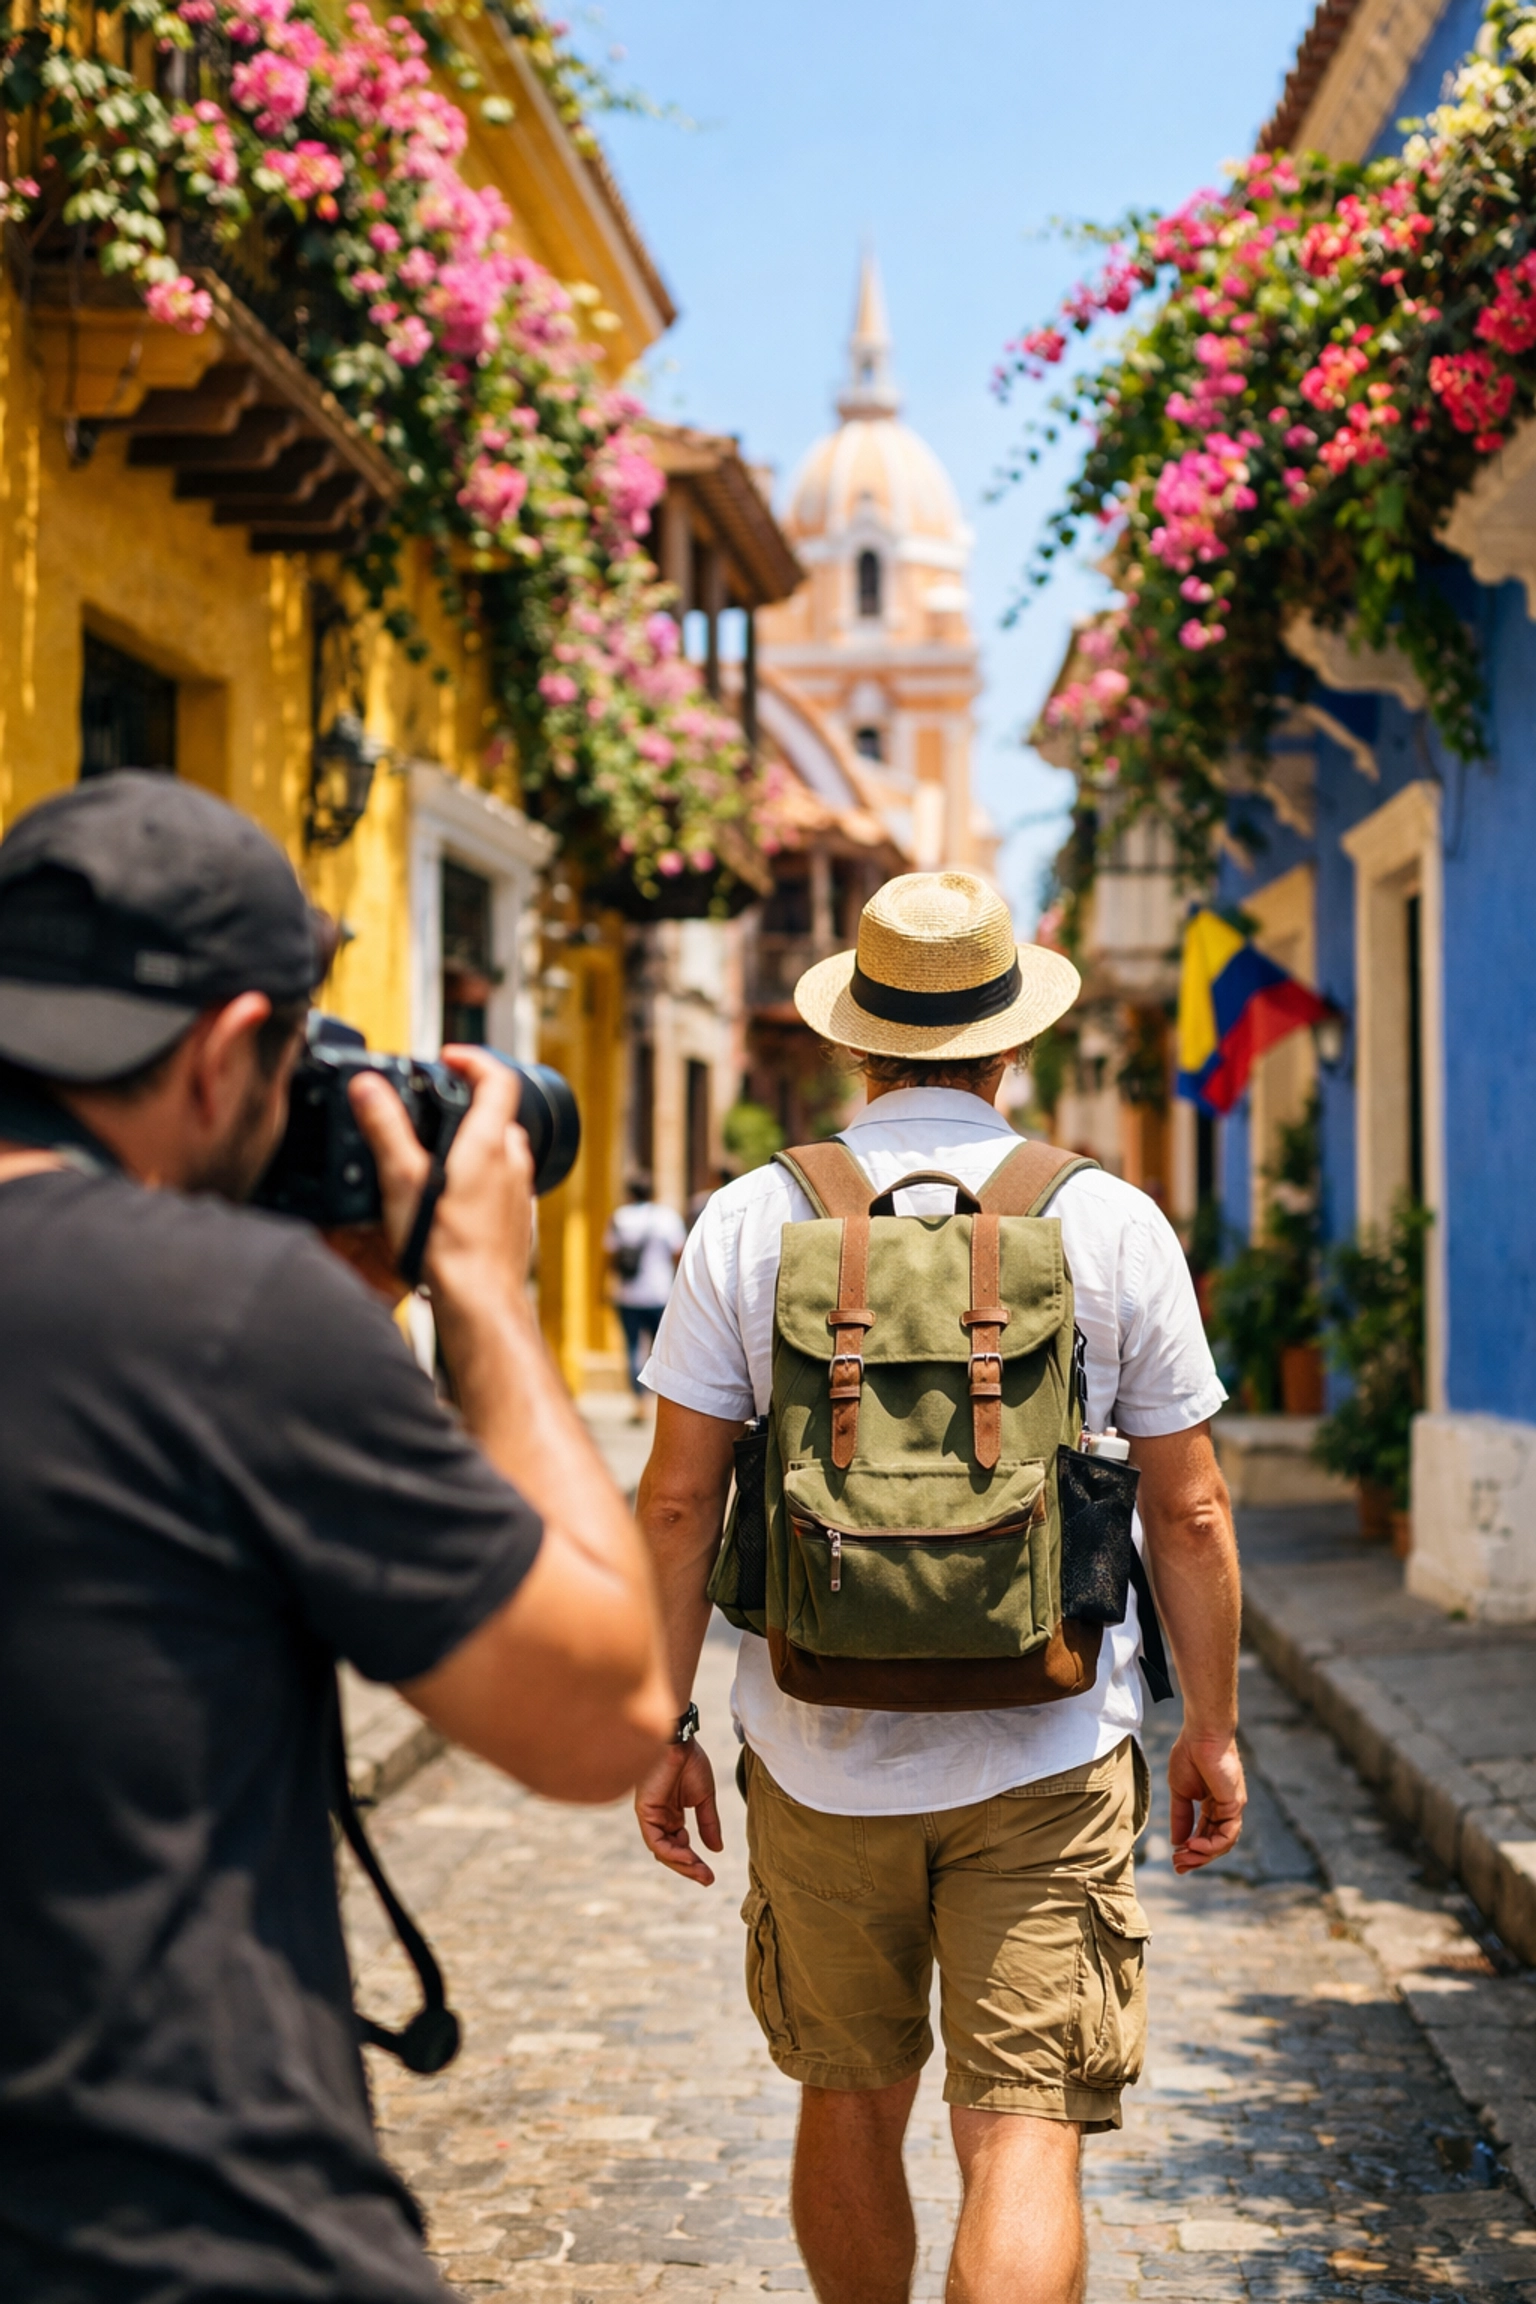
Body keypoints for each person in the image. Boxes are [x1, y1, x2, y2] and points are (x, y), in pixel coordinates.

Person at [0, 773, 673, 2302]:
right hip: (176, 2244)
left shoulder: (231, 1327)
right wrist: (482, 1291)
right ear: (237, 1046)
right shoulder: (224, 1319)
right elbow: (598, 1713)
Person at [630, 870, 1246, 2304]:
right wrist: (1210, 1724)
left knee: (847, 2096)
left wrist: (657, 1722)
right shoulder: (1108, 1219)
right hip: (1050, 1739)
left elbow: (673, 1500)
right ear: (1009, 1043)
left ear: (858, 1040)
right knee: (1026, 2129)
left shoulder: (746, 1219)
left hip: (817, 1744)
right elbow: (1193, 1506)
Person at [605, 1172, 685, 1416]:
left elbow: (609, 1255)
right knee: (660, 1348)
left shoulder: (620, 1217)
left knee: (631, 1347)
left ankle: (639, 1402)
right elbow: (679, 1254)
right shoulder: (666, 1218)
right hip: (660, 1293)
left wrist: (607, 1286)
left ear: (629, 1193)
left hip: (628, 1294)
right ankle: (661, 1401)